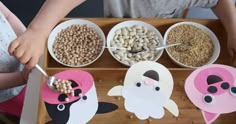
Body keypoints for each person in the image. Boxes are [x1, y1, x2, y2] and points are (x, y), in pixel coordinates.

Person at [8, 0, 236, 69]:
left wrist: (233, 28)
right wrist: (38, 30)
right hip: (109, 37)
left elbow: (220, 2)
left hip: (161, 50)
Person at [0, 2, 30, 118]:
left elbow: (8, 16)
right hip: (10, 89)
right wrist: (21, 77)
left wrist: (27, 39)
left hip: (24, 60)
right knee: (32, 110)